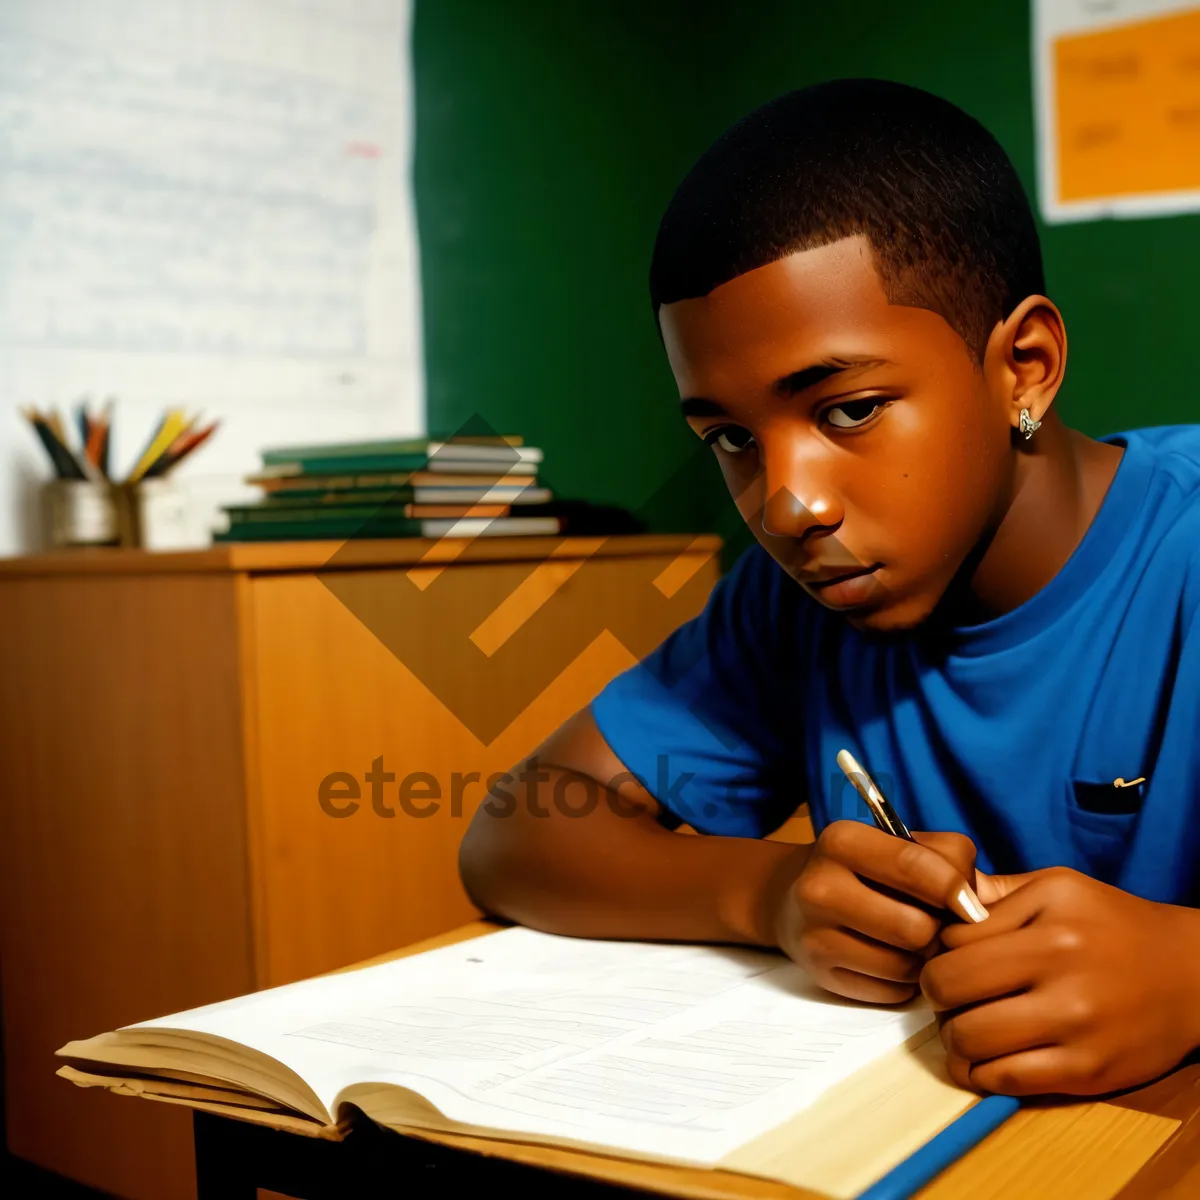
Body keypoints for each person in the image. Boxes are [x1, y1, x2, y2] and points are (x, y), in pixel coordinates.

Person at [459, 79, 1200, 1099]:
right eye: (729, 439)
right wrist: (769, 895)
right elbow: (517, 835)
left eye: (848, 409)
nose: (786, 506)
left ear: (1024, 367)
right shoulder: (798, 603)